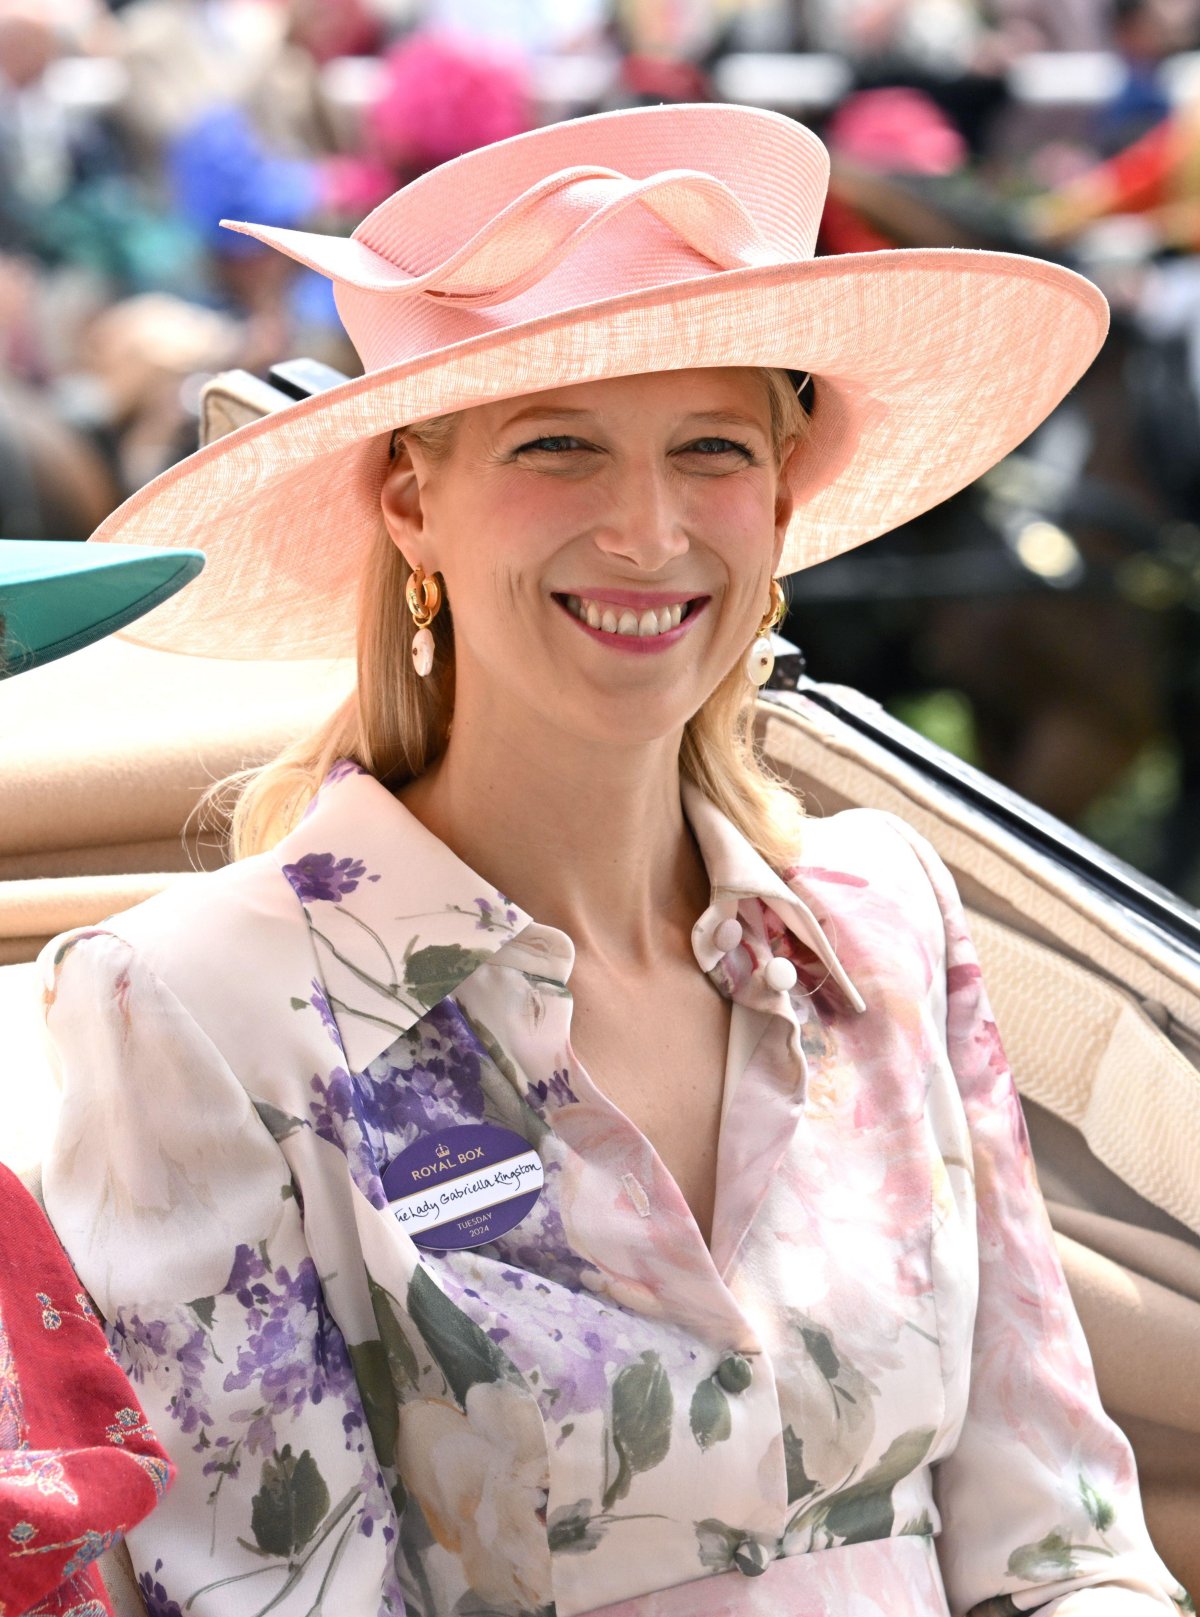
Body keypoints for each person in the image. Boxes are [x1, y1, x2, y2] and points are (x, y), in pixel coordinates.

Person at [32, 104, 1189, 1616]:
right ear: (410, 500)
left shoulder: (885, 920)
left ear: (780, 500)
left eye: (710, 449)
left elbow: (1065, 1541)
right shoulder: (189, 1005)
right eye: (558, 447)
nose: (645, 530)